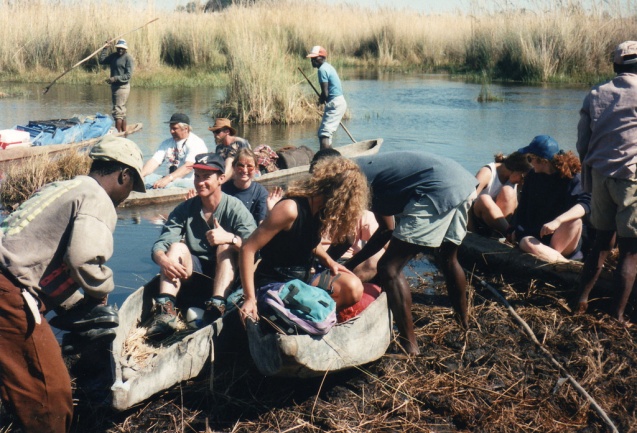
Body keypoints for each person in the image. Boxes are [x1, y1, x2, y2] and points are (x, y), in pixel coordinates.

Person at [0, 135, 145, 433]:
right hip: (8, 293)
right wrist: (101, 291)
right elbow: (83, 259)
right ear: (123, 175)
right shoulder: (98, 199)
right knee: (50, 395)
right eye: (131, 186)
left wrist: (72, 302)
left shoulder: (65, 187)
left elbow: (39, 254)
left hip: (7, 281)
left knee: (15, 380)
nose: (128, 195)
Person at [345, 151, 478, 355]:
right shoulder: (368, 173)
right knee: (448, 258)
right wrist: (353, 263)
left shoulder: (350, 178)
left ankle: (410, 347)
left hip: (438, 189)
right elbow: (386, 230)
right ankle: (465, 326)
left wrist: (340, 264)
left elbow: (345, 237)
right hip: (461, 183)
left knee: (389, 268)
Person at [239, 156, 370, 323]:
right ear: (337, 194)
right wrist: (249, 298)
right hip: (276, 282)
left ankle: (320, 316)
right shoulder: (290, 209)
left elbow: (310, 242)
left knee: (353, 287)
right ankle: (301, 317)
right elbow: (247, 249)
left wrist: (329, 261)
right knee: (311, 309)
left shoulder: (320, 210)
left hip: (306, 278)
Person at [147, 152, 257, 340]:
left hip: (227, 279)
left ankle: (216, 307)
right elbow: (162, 241)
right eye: (197, 176)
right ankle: (165, 310)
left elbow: (255, 249)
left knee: (225, 248)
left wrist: (230, 238)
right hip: (195, 274)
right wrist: (162, 259)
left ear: (221, 178)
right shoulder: (186, 208)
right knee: (176, 248)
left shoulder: (235, 207)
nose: (200, 182)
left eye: (206, 177)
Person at [574, 41, 637, 323]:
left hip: (600, 175)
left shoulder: (596, 93)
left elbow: (583, 142)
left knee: (601, 241)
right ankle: (617, 315)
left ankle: (581, 299)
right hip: (630, 178)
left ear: (615, 67)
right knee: (629, 250)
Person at [510, 135, 591, 263]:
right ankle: (565, 264)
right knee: (526, 242)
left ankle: (552, 259)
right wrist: (515, 229)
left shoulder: (572, 178)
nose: (529, 162)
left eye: (530, 158)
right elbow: (523, 208)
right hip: (538, 238)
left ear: (544, 161)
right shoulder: (532, 177)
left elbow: (585, 204)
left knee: (576, 221)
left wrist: (558, 221)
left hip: (563, 237)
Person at [469, 152, 532, 236]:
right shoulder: (487, 173)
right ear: (515, 170)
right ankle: (509, 234)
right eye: (523, 178)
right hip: (478, 220)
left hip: (500, 224)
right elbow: (466, 201)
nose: (522, 182)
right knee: (484, 199)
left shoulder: (515, 180)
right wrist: (472, 232)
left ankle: (502, 233)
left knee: (508, 191)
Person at [141, 113, 208, 189]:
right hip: (171, 179)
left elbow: (188, 167)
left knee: (167, 186)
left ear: (186, 129)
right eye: (170, 128)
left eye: (174, 128)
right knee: (146, 178)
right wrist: (141, 175)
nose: (171, 131)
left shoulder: (196, 143)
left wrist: (168, 179)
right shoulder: (167, 143)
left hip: (189, 182)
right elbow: (154, 161)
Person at [307, 45, 347, 150]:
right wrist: (323, 98)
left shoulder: (322, 70)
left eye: (315, 58)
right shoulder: (328, 66)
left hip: (335, 103)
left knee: (324, 134)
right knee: (327, 135)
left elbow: (325, 93)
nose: (312, 61)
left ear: (322, 58)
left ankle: (324, 160)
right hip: (338, 102)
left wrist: (320, 101)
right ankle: (329, 156)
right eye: (312, 58)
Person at [221, 148, 269, 225]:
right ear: (234, 167)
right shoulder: (222, 189)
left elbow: (261, 221)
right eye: (241, 166)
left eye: (249, 166)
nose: (245, 170)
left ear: (256, 168)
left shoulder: (260, 192)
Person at [99, 39, 134, 133]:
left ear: (125, 49)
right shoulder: (114, 56)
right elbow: (102, 61)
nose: (120, 50)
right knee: (121, 110)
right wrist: (105, 48)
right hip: (114, 87)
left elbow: (128, 75)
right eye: (118, 48)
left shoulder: (128, 58)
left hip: (122, 87)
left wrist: (115, 78)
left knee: (117, 111)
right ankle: (123, 132)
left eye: (122, 49)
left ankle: (117, 134)